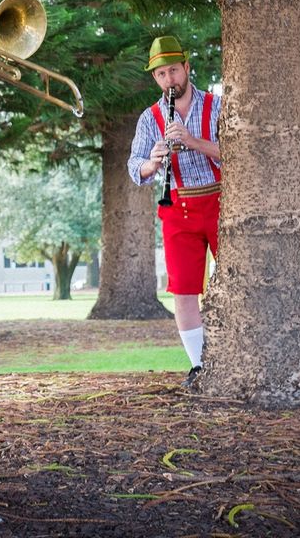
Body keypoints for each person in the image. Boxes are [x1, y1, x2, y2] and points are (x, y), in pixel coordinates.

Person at [127, 36, 221, 387]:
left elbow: (239, 152)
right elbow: (134, 167)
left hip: (220, 201)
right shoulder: (149, 117)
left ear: (187, 68)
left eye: (174, 71)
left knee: (234, 282)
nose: (170, 80)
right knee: (183, 289)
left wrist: (194, 142)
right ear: (156, 79)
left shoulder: (218, 105)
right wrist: (152, 163)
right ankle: (197, 364)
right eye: (162, 74)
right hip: (177, 204)